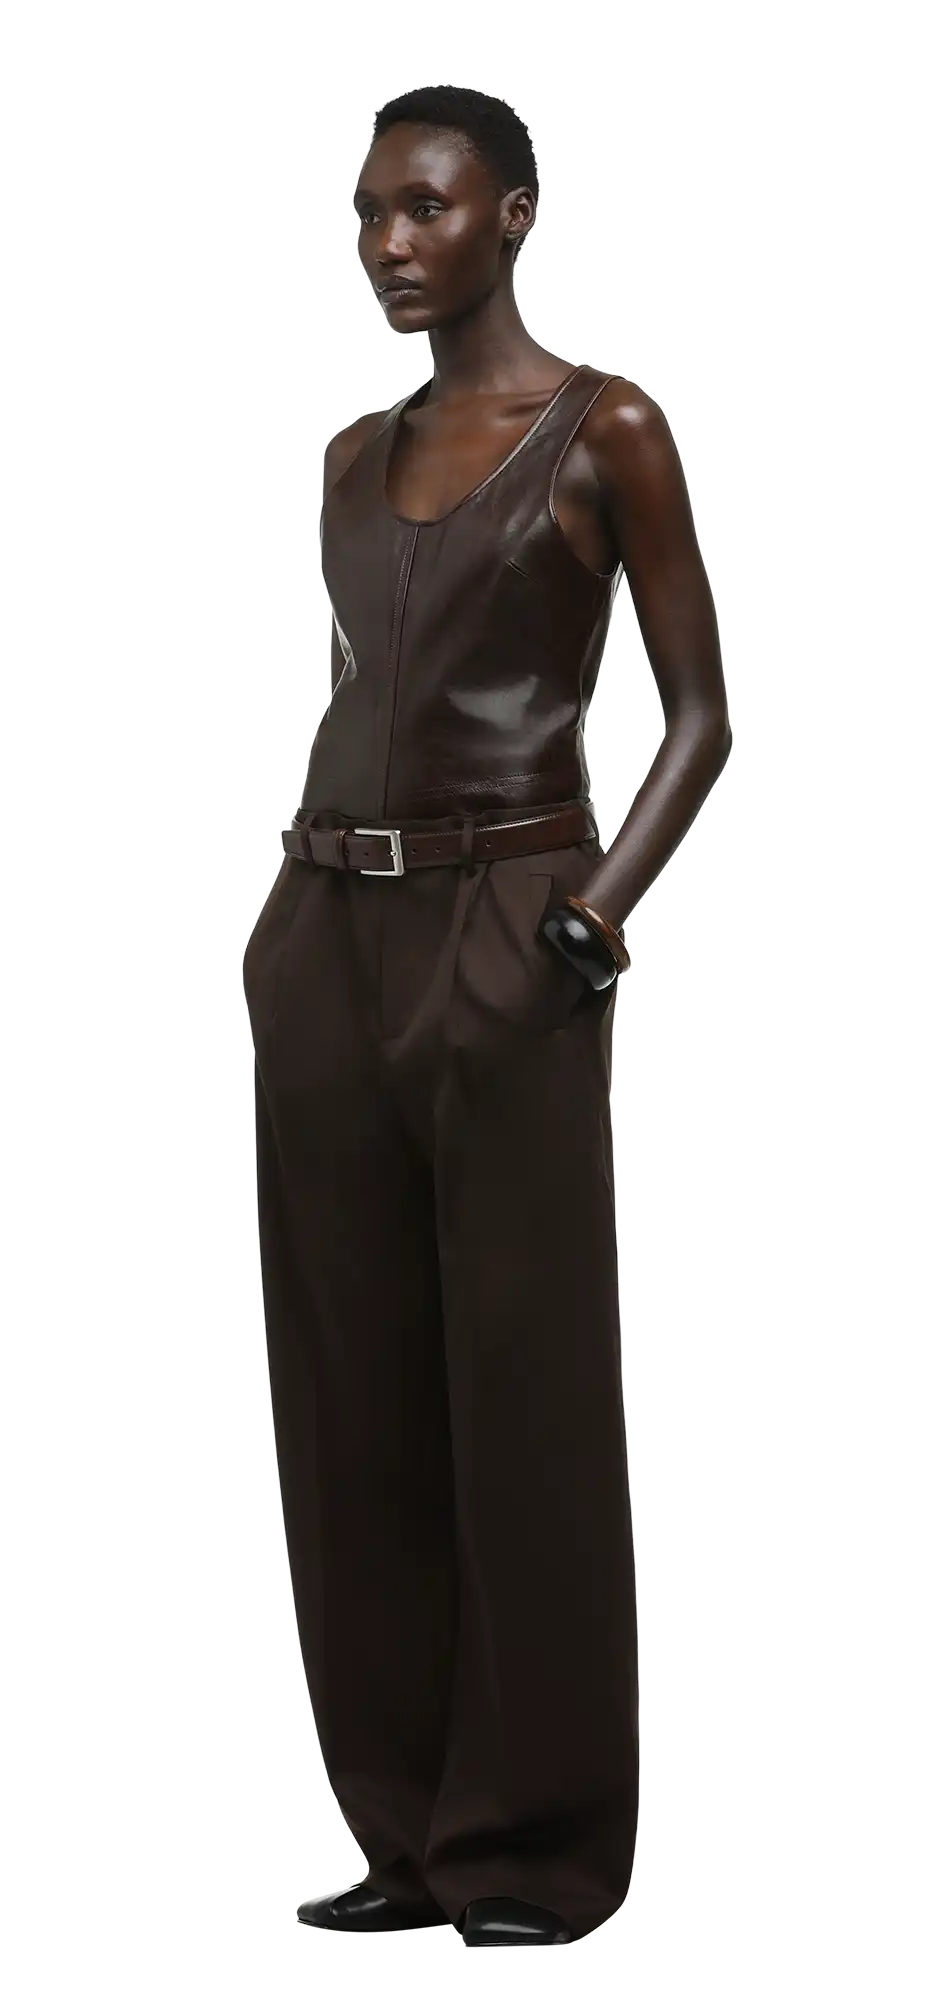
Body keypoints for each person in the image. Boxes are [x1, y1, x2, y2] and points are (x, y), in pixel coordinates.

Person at [241, 83, 733, 1952]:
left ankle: (528, 1847)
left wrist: (589, 921)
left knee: (518, 1395)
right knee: (350, 1394)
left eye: (427, 208)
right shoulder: (347, 456)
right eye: (370, 211)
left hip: (509, 921)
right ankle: (408, 1831)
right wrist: (282, 938)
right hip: (324, 931)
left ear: (512, 214)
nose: (389, 244)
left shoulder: (607, 430)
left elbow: (701, 715)